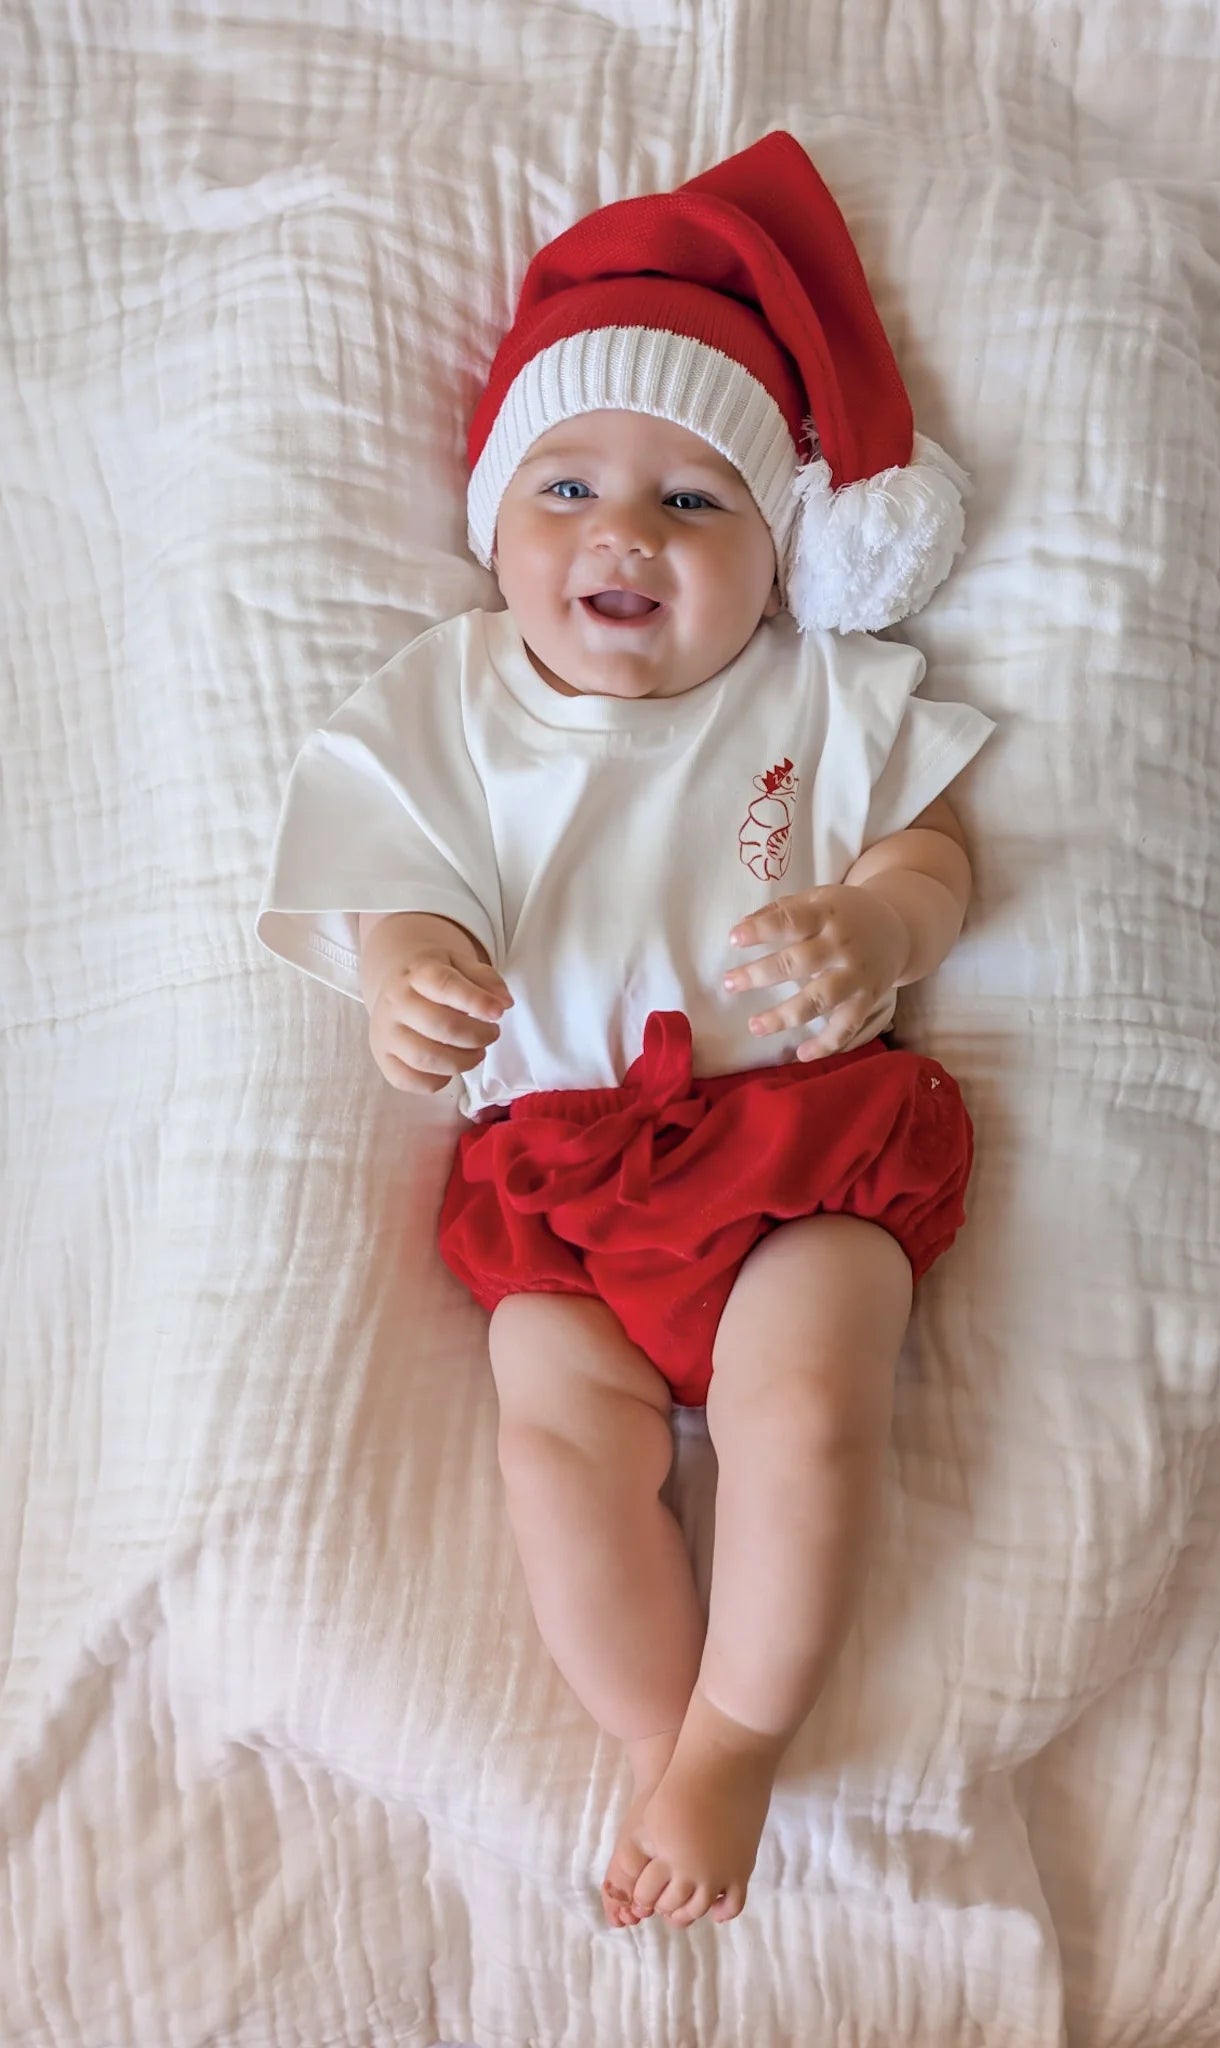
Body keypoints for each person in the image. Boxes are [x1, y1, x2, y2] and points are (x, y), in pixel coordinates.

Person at [258, 130, 994, 1932]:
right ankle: (656, 1730)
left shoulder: (817, 692)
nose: (624, 535)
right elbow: (386, 871)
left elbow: (929, 854)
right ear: (494, 526)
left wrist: (880, 922)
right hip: (562, 1187)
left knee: (804, 1408)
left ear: (782, 551)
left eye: (693, 502)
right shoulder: (448, 696)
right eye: (567, 487)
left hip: (796, 1158)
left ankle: (735, 1734)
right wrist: (406, 969)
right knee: (555, 1443)